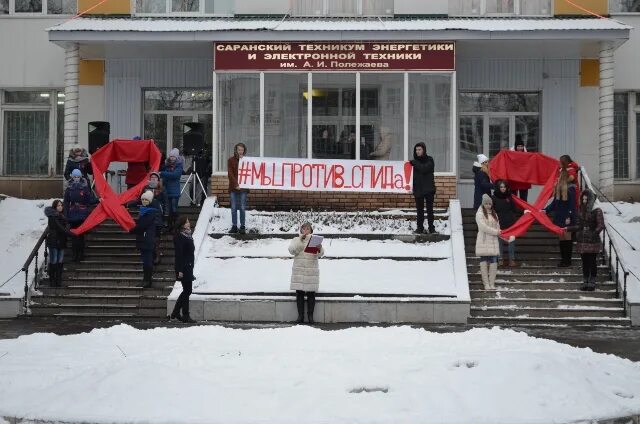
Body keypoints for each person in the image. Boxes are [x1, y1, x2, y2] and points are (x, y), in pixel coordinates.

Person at [567, 189, 604, 291]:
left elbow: (600, 225)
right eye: (583, 199)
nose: (584, 201)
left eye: (586, 199)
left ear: (590, 199)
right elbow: (579, 225)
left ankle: (592, 280)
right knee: (584, 262)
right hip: (582, 240)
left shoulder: (597, 209)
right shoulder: (580, 210)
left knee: (592, 261)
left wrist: (593, 233)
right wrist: (568, 228)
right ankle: (585, 280)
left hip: (592, 241)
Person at [288, 222, 324, 324]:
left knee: (311, 294)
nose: (305, 230)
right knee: (299, 293)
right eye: (303, 229)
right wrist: (300, 240)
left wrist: (319, 248)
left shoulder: (315, 240)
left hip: (310, 270)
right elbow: (292, 250)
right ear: (301, 230)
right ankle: (300, 316)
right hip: (299, 270)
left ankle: (310, 316)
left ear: (311, 230)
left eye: (308, 229)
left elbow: (321, 254)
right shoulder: (296, 240)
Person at [543, 168, 577, 267]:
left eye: (559, 177)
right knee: (561, 239)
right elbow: (554, 204)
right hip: (559, 218)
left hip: (567, 219)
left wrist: (569, 216)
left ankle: (568, 260)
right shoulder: (558, 189)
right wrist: (545, 210)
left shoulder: (570, 189)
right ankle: (563, 260)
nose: (557, 178)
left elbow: (572, 205)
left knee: (567, 239)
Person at [63, 169, 95, 262]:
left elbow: (89, 200)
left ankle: (81, 254)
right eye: (75, 176)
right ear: (72, 177)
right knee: (74, 237)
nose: (76, 178)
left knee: (81, 236)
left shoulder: (84, 187)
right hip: (73, 215)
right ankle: (74, 254)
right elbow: (66, 202)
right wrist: (66, 214)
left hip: (82, 214)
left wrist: (98, 200)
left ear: (80, 177)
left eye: (78, 176)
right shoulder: (69, 188)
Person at [130, 191, 159, 288]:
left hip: (147, 240)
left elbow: (142, 225)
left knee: (147, 261)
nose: (144, 201)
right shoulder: (145, 211)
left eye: (146, 199)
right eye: (142, 199)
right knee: (146, 261)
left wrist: (132, 229)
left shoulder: (149, 212)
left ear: (150, 200)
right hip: (145, 239)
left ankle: (147, 280)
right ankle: (146, 280)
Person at [170, 216, 196, 323]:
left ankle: (179, 313)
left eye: (188, 222)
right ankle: (180, 313)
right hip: (183, 267)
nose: (188, 224)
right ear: (181, 225)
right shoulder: (180, 236)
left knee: (187, 290)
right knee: (187, 290)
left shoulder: (188, 235)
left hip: (188, 266)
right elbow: (179, 254)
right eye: (186, 222)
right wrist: (180, 270)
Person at [475, 194, 504, 291]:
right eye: (486, 203)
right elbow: (483, 227)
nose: (488, 205)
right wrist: (496, 232)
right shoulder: (479, 214)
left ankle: (491, 283)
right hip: (484, 241)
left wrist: (503, 234)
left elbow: (498, 227)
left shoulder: (494, 214)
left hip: (493, 242)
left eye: (489, 203)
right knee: (483, 262)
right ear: (483, 204)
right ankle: (486, 283)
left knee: (494, 263)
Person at [45, 200, 74, 287]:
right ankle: (52, 280)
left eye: (61, 205)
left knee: (60, 261)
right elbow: (60, 228)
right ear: (55, 207)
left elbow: (66, 226)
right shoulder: (52, 216)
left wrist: (68, 227)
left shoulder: (63, 216)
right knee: (54, 261)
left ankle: (58, 280)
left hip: (61, 241)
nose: (60, 207)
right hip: (54, 241)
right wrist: (71, 233)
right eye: (58, 206)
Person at [410, 142, 436, 234]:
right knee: (419, 211)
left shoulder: (430, 160)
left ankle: (431, 228)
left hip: (429, 189)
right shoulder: (413, 163)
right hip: (418, 189)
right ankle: (420, 228)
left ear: (424, 150)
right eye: (416, 150)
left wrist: (414, 163)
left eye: (419, 149)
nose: (417, 151)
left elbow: (424, 169)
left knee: (430, 210)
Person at [492, 180, 518, 267]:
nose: (503, 189)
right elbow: (492, 210)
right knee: (499, 242)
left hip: (510, 223)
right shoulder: (494, 197)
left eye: (504, 187)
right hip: (499, 224)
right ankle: (500, 259)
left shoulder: (510, 197)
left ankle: (512, 260)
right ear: (498, 188)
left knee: (512, 242)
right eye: (501, 187)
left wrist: (513, 218)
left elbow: (514, 209)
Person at [227, 142, 249, 234]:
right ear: (236, 150)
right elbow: (230, 174)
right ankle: (234, 226)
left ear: (244, 150)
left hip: (243, 188)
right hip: (233, 188)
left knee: (243, 207)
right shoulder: (231, 160)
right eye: (239, 149)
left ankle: (242, 226)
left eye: (242, 150)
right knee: (233, 207)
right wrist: (236, 184)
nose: (240, 151)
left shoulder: (247, 160)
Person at [160, 148, 184, 229]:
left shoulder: (179, 167)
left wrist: (162, 173)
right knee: (168, 210)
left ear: (177, 157)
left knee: (174, 209)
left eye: (173, 157)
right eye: (171, 156)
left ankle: (178, 224)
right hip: (167, 191)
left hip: (175, 193)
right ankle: (170, 225)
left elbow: (174, 175)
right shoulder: (166, 166)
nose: (172, 158)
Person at [509, 135, 531, 202]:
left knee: (523, 198)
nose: (520, 148)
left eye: (521, 146)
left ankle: (523, 211)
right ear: (516, 147)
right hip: (514, 179)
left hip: (523, 179)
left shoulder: (527, 155)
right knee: (513, 198)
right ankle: (514, 211)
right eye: (518, 146)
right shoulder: (510, 155)